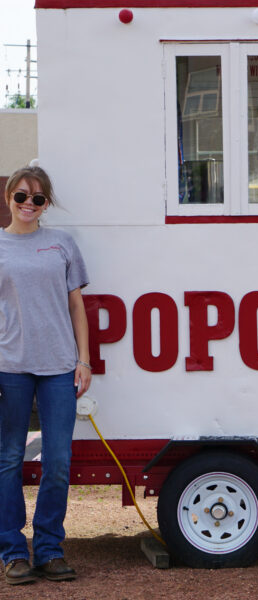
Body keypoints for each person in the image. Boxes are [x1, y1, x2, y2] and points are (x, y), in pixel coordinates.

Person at [0, 166, 91, 585]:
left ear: (46, 204)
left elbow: (76, 306)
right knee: (9, 460)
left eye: (37, 199)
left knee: (58, 461)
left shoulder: (62, 244)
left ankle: (50, 549)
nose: (28, 205)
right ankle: (14, 552)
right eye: (21, 197)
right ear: (8, 198)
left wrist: (84, 359)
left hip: (59, 367)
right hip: (10, 367)